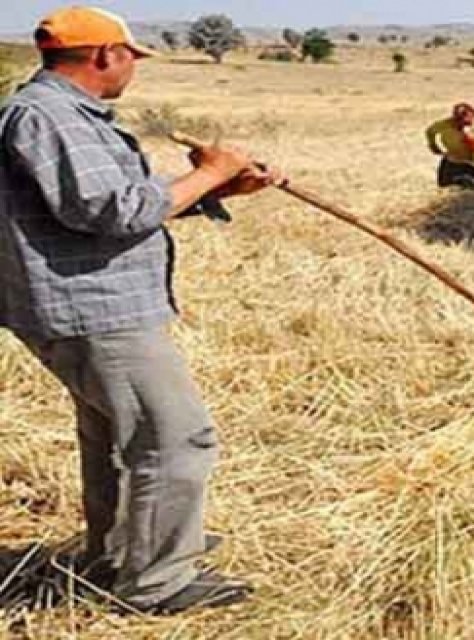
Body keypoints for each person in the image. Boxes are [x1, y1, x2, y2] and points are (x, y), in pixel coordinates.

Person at [0, 6, 280, 615]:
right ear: (106, 55)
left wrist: (216, 187)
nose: (133, 68)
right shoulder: (48, 117)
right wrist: (208, 171)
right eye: (130, 56)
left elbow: (114, 207)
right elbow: (112, 211)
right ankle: (159, 582)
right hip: (93, 310)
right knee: (177, 437)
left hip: (90, 306)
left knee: (116, 439)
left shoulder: (61, 115)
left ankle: (122, 554)